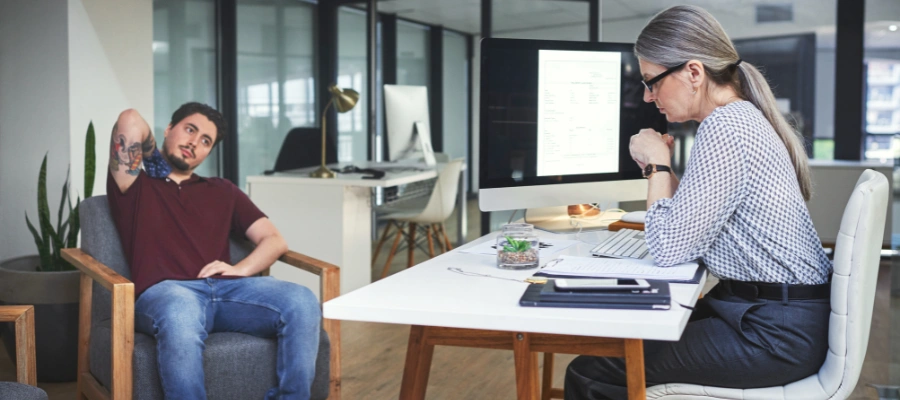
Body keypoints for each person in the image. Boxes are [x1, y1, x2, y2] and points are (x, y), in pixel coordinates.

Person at [564, 5, 832, 399]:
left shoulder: (726, 126)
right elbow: (692, 216)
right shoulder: (738, 118)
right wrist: (663, 171)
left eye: (652, 81)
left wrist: (657, 164)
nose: (647, 95)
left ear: (693, 72)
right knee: (622, 339)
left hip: (773, 331)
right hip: (771, 315)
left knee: (594, 368)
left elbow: (670, 248)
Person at [106, 102, 321, 400]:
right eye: (189, 130)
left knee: (302, 300)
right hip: (167, 293)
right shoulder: (135, 185)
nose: (195, 142)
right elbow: (129, 118)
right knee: (181, 310)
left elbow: (274, 240)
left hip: (228, 292)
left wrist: (239, 269)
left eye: (206, 141)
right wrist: (154, 160)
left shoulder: (222, 190)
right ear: (169, 129)